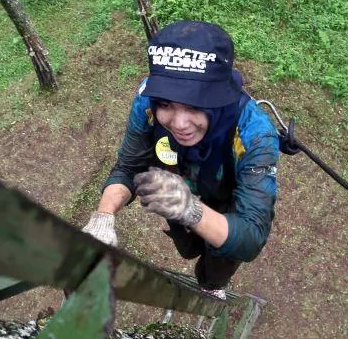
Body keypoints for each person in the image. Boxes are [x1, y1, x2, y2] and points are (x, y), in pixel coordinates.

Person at [82, 20, 279, 299]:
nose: (179, 123)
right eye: (166, 105)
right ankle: (194, 246)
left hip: (228, 207)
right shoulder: (146, 102)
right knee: (187, 248)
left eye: (195, 106)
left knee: (216, 268)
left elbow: (251, 236)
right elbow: (130, 165)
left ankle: (212, 286)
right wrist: (103, 216)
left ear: (219, 98)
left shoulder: (254, 134)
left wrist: (193, 211)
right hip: (178, 196)